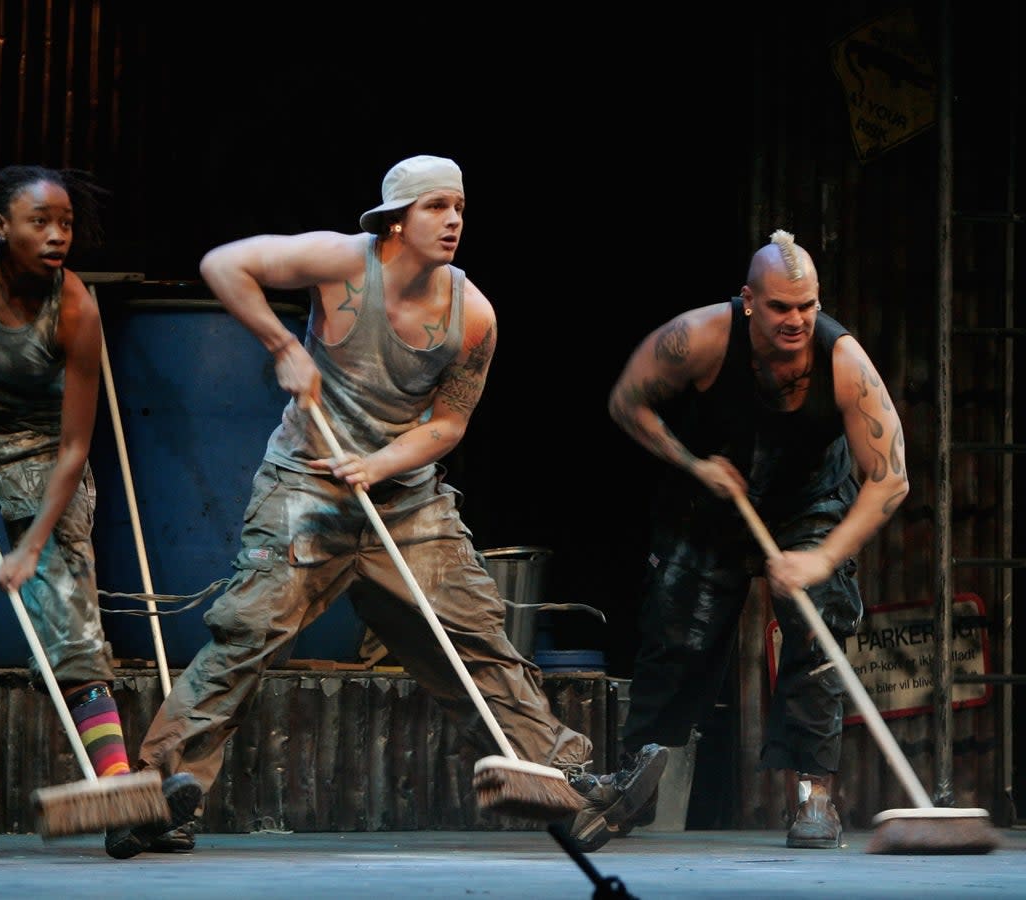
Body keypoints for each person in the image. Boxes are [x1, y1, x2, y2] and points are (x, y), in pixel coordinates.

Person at [107, 154, 652, 857]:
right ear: (397, 219)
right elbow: (223, 265)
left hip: (404, 501)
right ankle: (154, 796)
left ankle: (564, 783)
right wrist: (280, 343)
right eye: (436, 207)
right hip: (305, 485)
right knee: (246, 636)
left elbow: (448, 424)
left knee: (476, 644)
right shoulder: (339, 262)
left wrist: (382, 462)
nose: (454, 220)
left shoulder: (472, 313)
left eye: (459, 206)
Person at [0, 163, 199, 856]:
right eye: (40, 222)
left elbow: (77, 447)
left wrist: (30, 547)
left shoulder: (75, 307)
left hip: (43, 449)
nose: (56, 236)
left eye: (66, 224)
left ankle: (122, 800)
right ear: (0, 228)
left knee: (73, 633)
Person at [571, 229, 909, 852]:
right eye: (781, 307)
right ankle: (635, 777)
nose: (797, 320)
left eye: (807, 306)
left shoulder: (843, 362)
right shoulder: (699, 337)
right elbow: (628, 402)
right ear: (749, 300)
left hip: (810, 500)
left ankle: (814, 797)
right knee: (677, 630)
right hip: (714, 493)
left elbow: (890, 480)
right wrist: (692, 464)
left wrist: (822, 558)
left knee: (820, 623)